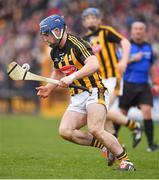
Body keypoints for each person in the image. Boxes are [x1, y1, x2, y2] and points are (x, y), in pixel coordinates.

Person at [36, 14, 136, 171]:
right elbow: (57, 72)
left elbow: (94, 64)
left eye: (46, 34)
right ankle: (105, 147)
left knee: (95, 128)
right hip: (77, 96)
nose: (45, 38)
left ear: (57, 31)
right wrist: (49, 87)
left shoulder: (77, 44)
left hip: (94, 90)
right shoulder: (54, 52)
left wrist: (72, 77)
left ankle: (126, 162)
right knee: (65, 131)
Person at [81, 8, 142, 165]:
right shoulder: (83, 40)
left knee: (103, 112)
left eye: (94, 17)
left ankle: (134, 126)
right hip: (97, 82)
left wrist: (123, 61)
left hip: (112, 78)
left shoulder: (106, 32)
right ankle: (117, 146)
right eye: (87, 18)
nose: (91, 20)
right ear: (83, 22)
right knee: (103, 117)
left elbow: (125, 42)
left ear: (100, 19)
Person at [119, 21, 159, 152]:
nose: (138, 31)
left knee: (147, 112)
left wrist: (155, 83)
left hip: (143, 85)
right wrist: (132, 59)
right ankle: (113, 139)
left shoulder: (148, 47)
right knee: (121, 114)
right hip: (128, 85)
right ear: (131, 31)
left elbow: (152, 67)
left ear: (145, 31)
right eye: (136, 28)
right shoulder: (126, 46)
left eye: (141, 29)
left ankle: (151, 145)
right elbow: (118, 65)